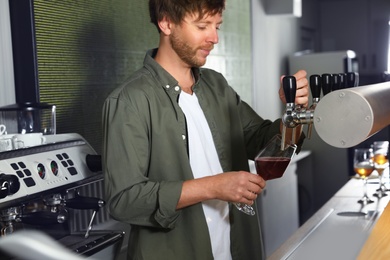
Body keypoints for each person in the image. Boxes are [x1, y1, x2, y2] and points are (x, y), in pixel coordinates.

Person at [102, 0, 309, 259]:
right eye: (202, 26)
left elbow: (265, 143)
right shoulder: (129, 100)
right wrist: (213, 187)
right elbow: (124, 201)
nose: (214, 38)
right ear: (166, 22)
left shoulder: (217, 85)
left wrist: (295, 112)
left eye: (217, 26)